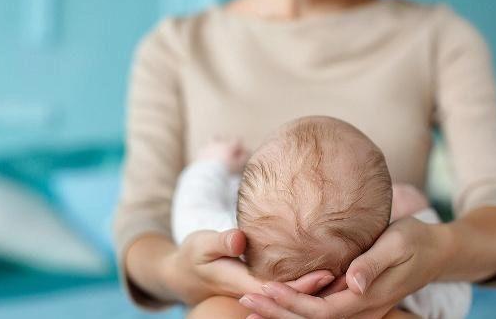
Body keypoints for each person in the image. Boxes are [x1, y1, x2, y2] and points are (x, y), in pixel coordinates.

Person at [113, 0, 496, 317]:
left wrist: (438, 250)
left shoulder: (440, 39)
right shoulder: (176, 48)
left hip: (385, 305)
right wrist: (178, 271)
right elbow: (142, 222)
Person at [172, 116, 472, 318]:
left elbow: (192, 208)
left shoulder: (231, 245)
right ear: (383, 237)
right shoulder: (386, 283)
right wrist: (421, 212)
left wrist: (211, 163)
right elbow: (454, 297)